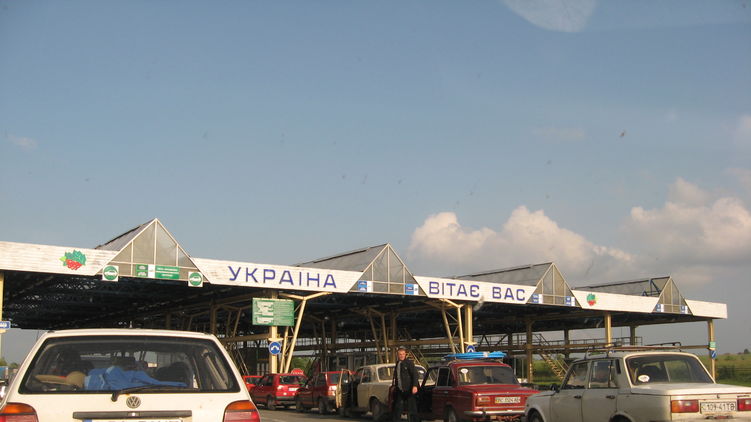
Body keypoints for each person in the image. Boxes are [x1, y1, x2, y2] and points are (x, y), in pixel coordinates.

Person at [392, 346, 419, 422]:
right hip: (400, 390)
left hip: (409, 390)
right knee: (398, 408)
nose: (401, 356)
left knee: (412, 409)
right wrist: (395, 386)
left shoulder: (409, 363)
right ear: (398, 355)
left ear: (405, 354)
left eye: (403, 354)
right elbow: (397, 376)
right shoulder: (398, 363)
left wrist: (415, 386)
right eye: (400, 354)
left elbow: (415, 374)